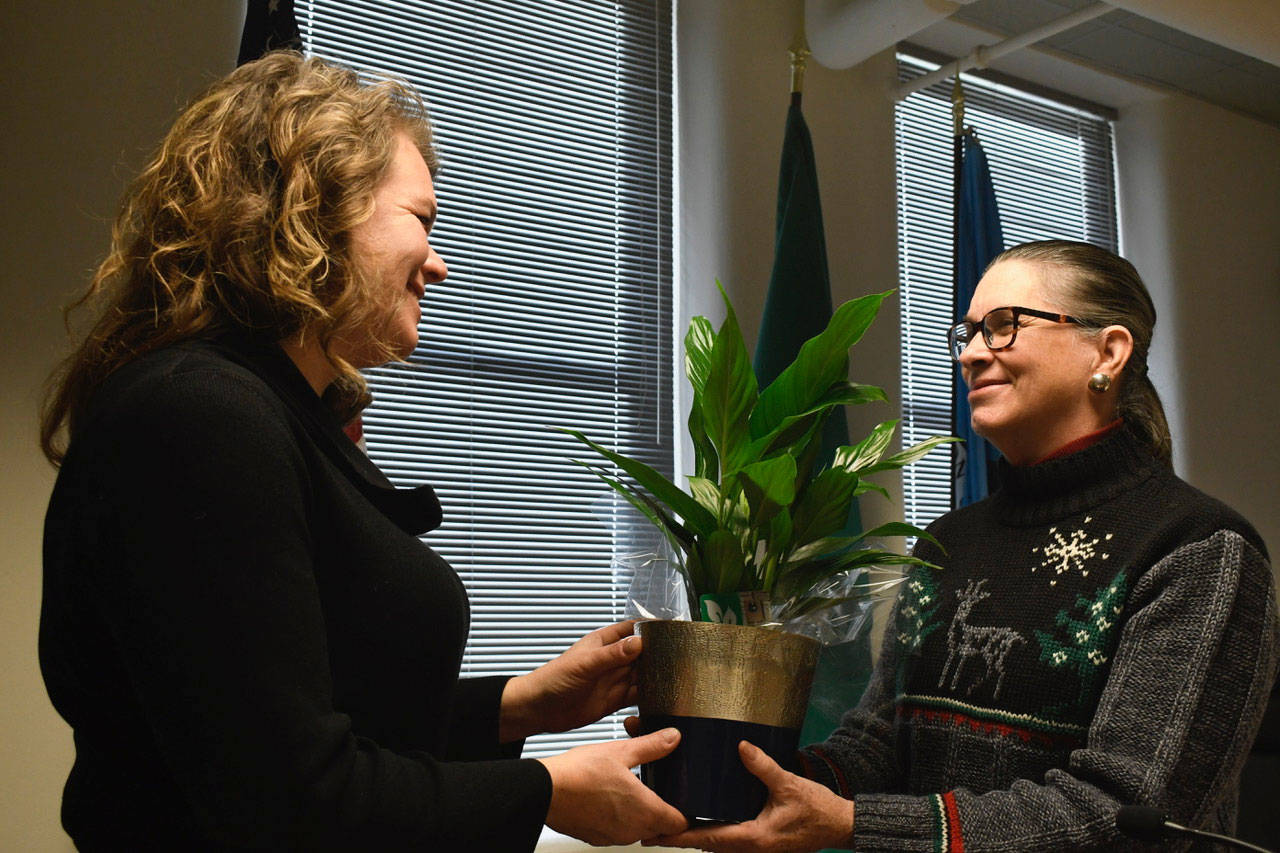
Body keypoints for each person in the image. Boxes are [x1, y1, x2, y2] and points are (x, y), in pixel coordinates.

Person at [38, 52, 687, 851]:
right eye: (423, 220)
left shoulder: (261, 411)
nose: (439, 264)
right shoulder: (200, 414)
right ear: (317, 204)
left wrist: (521, 705)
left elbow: (306, 712)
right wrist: (543, 790)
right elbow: (290, 799)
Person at [653, 239, 1279, 852]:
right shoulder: (950, 540)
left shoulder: (1199, 550)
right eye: (968, 332)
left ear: (1109, 353)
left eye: (1004, 326)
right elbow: (877, 745)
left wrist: (854, 825)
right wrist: (733, 773)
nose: (972, 354)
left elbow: (1123, 816)